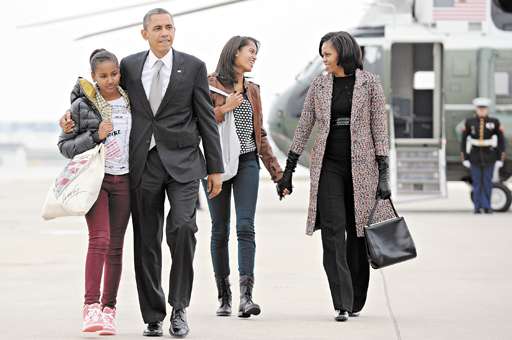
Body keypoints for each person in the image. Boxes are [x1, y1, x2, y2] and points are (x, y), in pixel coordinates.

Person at [61, 8, 223, 338]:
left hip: (184, 163)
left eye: (170, 27)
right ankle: (154, 315)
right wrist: (71, 113)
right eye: (158, 28)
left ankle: (180, 308)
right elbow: (97, 90)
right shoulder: (130, 67)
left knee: (182, 228)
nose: (165, 33)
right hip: (142, 165)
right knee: (146, 241)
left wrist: (215, 168)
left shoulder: (192, 66)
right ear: (144, 33)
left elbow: (206, 118)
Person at [277, 31, 395, 321]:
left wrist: (383, 174)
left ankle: (355, 298)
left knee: (356, 234)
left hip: (362, 168)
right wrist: (288, 171)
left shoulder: (370, 84)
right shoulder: (319, 84)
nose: (324, 60)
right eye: (322, 55)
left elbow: (380, 130)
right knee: (332, 232)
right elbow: (304, 126)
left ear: (342, 53)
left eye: (327, 54)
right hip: (328, 166)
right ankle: (341, 301)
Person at [205, 36, 283, 318]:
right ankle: (224, 296)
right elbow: (195, 121)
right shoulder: (209, 84)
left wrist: (278, 174)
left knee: (245, 227)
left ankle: (246, 297)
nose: (254, 57)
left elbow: (259, 134)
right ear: (234, 52)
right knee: (219, 229)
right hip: (216, 164)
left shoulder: (253, 90)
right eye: (251, 52)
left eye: (255, 53)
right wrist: (224, 109)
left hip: (248, 161)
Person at [58, 49, 131, 336]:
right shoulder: (82, 107)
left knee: (116, 247)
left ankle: (109, 310)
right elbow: (65, 146)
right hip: (96, 181)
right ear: (93, 77)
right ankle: (90, 307)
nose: (110, 80)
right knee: (99, 239)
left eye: (114, 74)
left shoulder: (131, 101)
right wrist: (95, 135)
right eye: (103, 76)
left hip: (125, 181)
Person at [461, 97, 506, 214]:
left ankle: (487, 206)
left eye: (484, 109)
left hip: (489, 156)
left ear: (487, 110)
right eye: (480, 109)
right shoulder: (469, 122)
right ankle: (477, 207)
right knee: (476, 184)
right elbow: (463, 141)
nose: (482, 111)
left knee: (487, 183)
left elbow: (501, 141)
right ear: (476, 110)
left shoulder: (494, 122)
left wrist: (500, 158)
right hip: (475, 157)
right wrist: (465, 158)